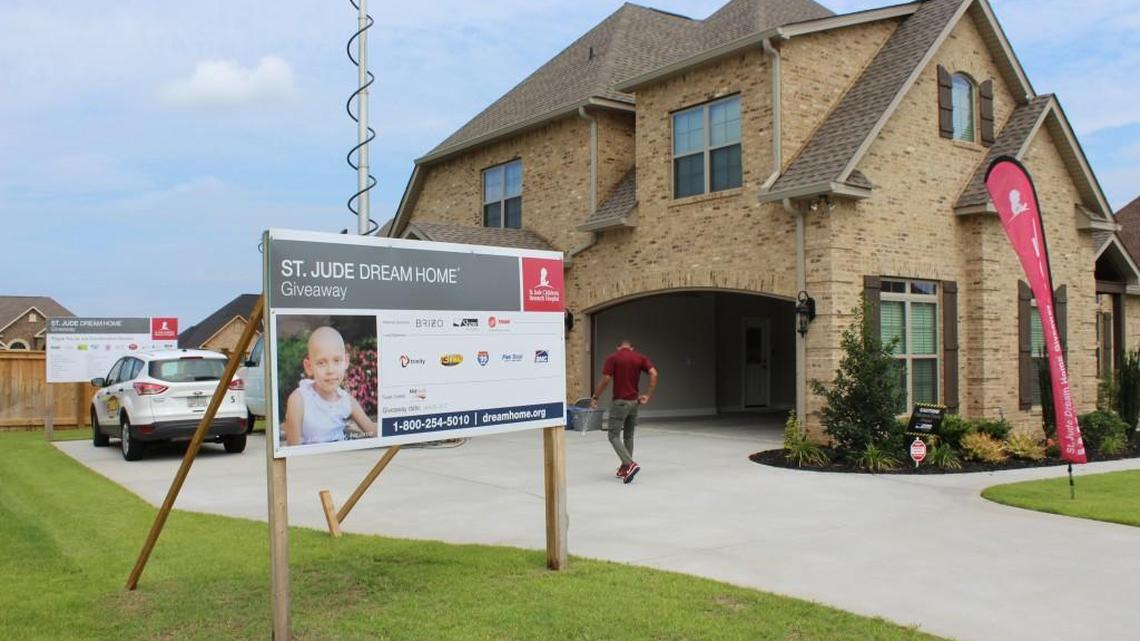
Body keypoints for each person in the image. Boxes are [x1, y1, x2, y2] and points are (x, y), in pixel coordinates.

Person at [283, 326, 377, 446]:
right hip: (311, 462)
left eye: (337, 361)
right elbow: (293, 450)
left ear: (346, 362)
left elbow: (373, 433)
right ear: (309, 367)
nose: (330, 370)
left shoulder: (346, 400)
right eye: (321, 363)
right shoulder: (299, 400)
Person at [590, 339, 657, 483]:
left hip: (620, 403)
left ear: (618, 347)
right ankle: (625, 468)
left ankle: (630, 464)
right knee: (628, 436)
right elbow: (654, 373)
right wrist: (648, 395)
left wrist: (595, 396)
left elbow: (606, 379)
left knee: (613, 436)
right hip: (634, 402)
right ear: (632, 348)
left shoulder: (613, 357)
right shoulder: (640, 358)